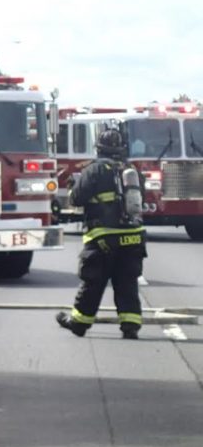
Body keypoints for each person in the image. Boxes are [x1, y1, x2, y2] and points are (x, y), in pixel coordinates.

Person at [56, 128, 147, 339]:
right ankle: (130, 326)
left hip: (103, 238)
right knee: (127, 283)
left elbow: (77, 199)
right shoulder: (132, 171)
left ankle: (79, 323)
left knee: (93, 283)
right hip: (133, 236)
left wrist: (73, 186)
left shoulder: (94, 170)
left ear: (99, 148)